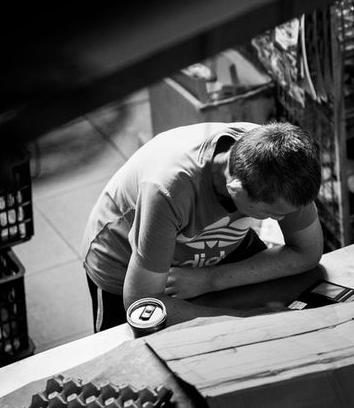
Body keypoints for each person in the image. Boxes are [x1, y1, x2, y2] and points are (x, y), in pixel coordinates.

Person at [81, 120, 323, 332]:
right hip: (124, 260)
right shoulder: (169, 189)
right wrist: (245, 320)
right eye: (270, 214)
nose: (280, 220)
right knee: (132, 351)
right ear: (235, 189)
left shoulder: (284, 169)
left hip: (206, 250)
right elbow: (143, 303)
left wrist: (208, 279)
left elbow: (307, 253)